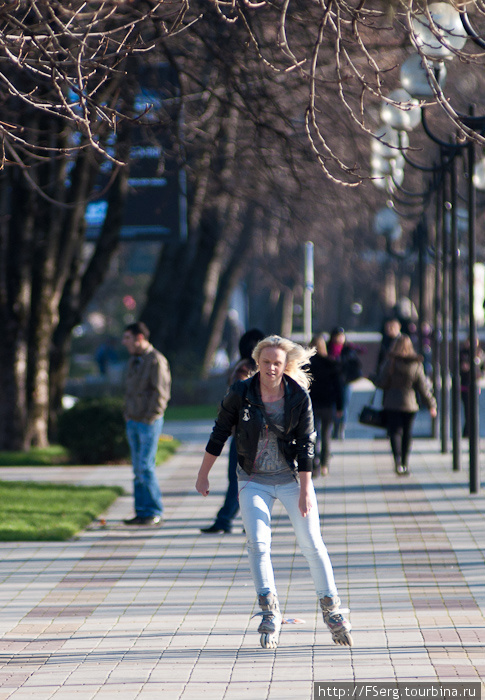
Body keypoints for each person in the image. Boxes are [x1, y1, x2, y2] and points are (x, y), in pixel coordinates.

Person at [196, 335, 353, 649]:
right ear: (257, 363)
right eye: (265, 362)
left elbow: (308, 445)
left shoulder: (298, 397)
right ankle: (269, 608)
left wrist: (306, 489)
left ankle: (331, 609)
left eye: (277, 363)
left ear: (285, 366)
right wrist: (203, 474)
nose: (270, 368)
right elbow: (220, 431)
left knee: (311, 543)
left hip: (292, 479)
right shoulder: (240, 392)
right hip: (252, 479)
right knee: (257, 542)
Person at [200, 328, 265, 534]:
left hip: (243, 432)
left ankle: (228, 519)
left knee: (239, 479)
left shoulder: (243, 369)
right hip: (253, 432)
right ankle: (243, 520)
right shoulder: (259, 369)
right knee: (247, 480)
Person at [122, 321, 171, 525]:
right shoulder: (134, 360)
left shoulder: (156, 361)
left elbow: (162, 393)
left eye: (128, 338)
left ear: (139, 338)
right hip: (132, 420)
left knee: (145, 466)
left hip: (147, 422)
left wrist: (151, 416)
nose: (125, 343)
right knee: (137, 468)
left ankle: (153, 510)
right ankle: (141, 511)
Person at [377, 334, 437, 476]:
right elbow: (423, 387)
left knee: (394, 432)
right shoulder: (416, 363)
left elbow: (382, 382)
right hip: (410, 404)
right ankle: (405, 462)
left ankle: (397, 461)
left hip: (392, 403)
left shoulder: (390, 362)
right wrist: (431, 405)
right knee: (407, 434)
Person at [309, 334, 343, 477]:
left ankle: (314, 462)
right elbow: (338, 387)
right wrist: (340, 407)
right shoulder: (331, 365)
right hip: (328, 404)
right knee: (326, 435)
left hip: (312, 405)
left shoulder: (306, 365)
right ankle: (324, 464)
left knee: (312, 435)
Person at [327, 327, 364, 439]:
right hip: (331, 381)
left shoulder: (348, 349)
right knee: (333, 405)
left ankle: (341, 427)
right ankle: (334, 427)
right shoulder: (328, 348)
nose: (339, 338)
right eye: (337, 336)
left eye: (341, 336)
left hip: (345, 381)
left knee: (344, 405)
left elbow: (357, 361)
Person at [459, 337, 485, 437]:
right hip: (465, 384)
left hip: (475, 385)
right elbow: (463, 367)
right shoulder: (464, 353)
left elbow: (482, 368)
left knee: (474, 409)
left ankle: (470, 431)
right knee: (467, 410)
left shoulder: (478, 353)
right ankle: (467, 431)